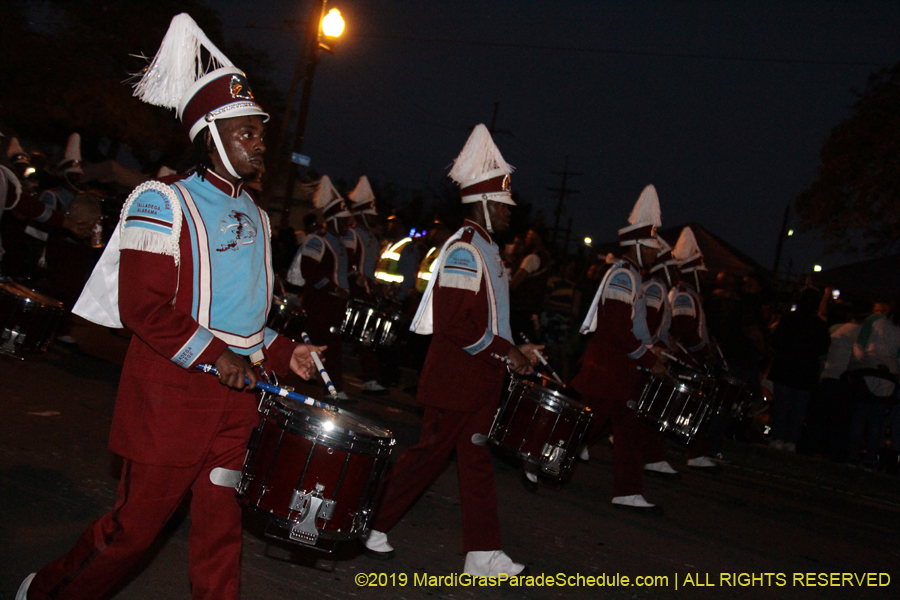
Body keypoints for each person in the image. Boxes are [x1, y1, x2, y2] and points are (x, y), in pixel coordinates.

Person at [17, 14, 322, 600]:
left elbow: (247, 320)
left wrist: (287, 352)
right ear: (210, 134)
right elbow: (143, 307)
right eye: (247, 132)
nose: (261, 142)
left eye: (262, 132)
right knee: (133, 534)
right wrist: (214, 356)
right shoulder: (162, 200)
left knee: (219, 528)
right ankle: (48, 591)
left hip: (238, 403)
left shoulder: (259, 215)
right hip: (172, 397)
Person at [363, 124, 540, 577]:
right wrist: (506, 352)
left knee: (475, 461)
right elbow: (455, 323)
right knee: (426, 457)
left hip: (479, 379)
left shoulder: (487, 251)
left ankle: (482, 553)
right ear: (482, 203)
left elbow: (488, 321)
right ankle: (368, 521)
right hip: (456, 379)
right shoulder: (463, 250)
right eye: (502, 206)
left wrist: (517, 349)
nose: (508, 214)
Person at [570, 184, 671, 513]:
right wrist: (647, 358)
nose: (657, 253)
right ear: (639, 247)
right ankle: (548, 451)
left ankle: (626, 489)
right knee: (594, 424)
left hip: (617, 369)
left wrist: (651, 354)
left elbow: (634, 329)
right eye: (652, 248)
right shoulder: (623, 277)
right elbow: (616, 329)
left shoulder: (633, 277)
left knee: (621, 428)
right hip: (607, 369)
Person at [289, 174, 352, 401]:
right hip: (320, 303)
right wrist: (332, 289)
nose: (347, 224)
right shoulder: (318, 240)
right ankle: (332, 389)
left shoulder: (339, 242)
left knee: (327, 346)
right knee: (323, 345)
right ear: (333, 219)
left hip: (334, 304)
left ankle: (332, 387)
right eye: (343, 220)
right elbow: (310, 271)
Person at [668, 226, 721, 469]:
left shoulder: (688, 295)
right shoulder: (682, 296)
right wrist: (703, 350)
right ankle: (695, 452)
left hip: (690, 360)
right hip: (687, 361)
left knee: (686, 407)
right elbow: (684, 330)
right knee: (690, 407)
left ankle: (696, 451)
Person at [766, 287, 831, 453]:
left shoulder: (789, 319)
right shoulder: (819, 325)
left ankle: (778, 437)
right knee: (799, 408)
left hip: (785, 366)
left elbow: (775, 341)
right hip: (806, 370)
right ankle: (792, 441)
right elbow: (823, 348)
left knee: (781, 404)